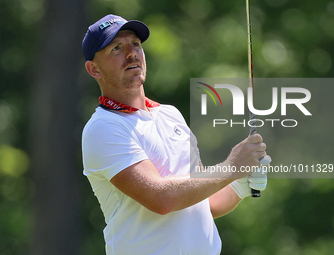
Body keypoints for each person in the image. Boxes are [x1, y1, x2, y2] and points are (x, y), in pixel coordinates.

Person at [81, 14, 270, 255]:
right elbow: (161, 199)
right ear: (93, 69)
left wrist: (240, 184)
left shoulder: (170, 115)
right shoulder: (104, 127)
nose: (131, 53)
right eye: (117, 48)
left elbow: (203, 202)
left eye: (136, 44)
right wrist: (232, 166)